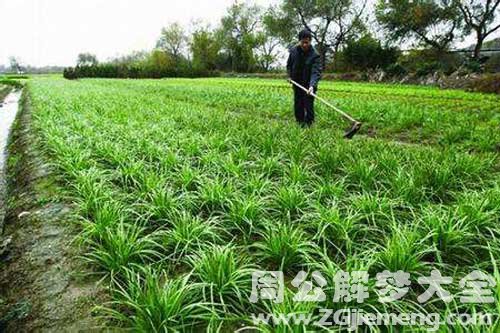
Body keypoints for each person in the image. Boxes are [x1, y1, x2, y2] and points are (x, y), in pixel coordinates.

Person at [286, 29, 322, 127]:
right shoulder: (293, 51)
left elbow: (316, 72)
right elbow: (289, 65)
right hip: (297, 82)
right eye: (303, 42)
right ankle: (299, 123)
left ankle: (309, 125)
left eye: (307, 42)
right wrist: (289, 76)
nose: (305, 45)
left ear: (310, 41)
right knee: (298, 104)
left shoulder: (315, 55)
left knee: (308, 105)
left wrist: (312, 86)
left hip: (309, 84)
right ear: (299, 41)